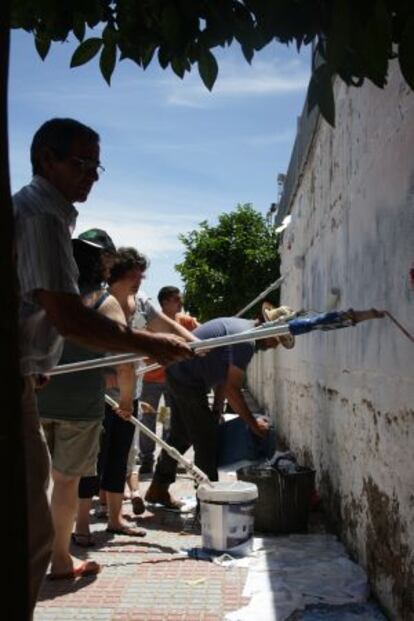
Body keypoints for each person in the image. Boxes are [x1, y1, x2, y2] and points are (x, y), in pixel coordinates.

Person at [14, 118, 193, 617]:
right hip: (53, 395)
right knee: (34, 527)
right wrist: (149, 348)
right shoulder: (42, 217)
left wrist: (37, 363)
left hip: (36, 382)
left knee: (53, 500)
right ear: (46, 159)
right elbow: (68, 318)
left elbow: (39, 314)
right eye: (81, 164)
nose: (92, 175)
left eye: (97, 166)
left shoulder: (46, 216)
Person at [145, 308, 294, 508]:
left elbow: (223, 374)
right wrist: (253, 425)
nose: (275, 346)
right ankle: (209, 505)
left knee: (181, 436)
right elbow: (233, 389)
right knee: (206, 440)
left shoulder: (242, 330)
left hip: (179, 373)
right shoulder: (246, 341)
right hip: (186, 377)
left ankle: (158, 488)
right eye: (277, 340)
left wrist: (217, 408)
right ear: (268, 329)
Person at [37, 231, 117, 578]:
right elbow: (121, 363)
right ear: (103, 262)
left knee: (35, 484)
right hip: (80, 407)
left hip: (37, 400)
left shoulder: (47, 296)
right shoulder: (105, 302)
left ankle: (32, 557)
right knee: (65, 484)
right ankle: (60, 560)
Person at [139, 286, 199, 473]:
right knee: (147, 420)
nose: (181, 302)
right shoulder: (149, 323)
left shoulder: (185, 321)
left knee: (169, 421)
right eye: (177, 299)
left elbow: (204, 333)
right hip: (151, 381)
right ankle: (147, 459)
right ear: (165, 302)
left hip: (173, 383)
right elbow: (143, 349)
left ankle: (166, 459)